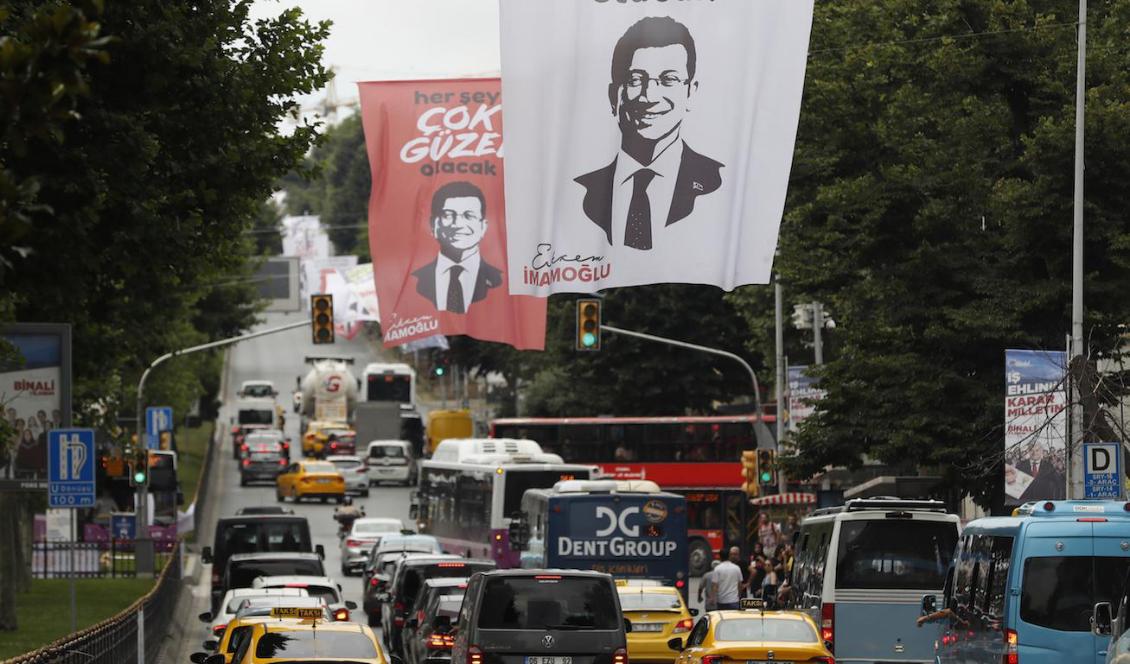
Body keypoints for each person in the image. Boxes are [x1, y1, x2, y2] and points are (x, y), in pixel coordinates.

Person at [574, 16, 723, 251]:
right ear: (614, 96)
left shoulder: (719, 184)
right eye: (635, 80)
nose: (649, 96)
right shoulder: (577, 192)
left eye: (668, 79)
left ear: (690, 93)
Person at [411, 181, 502, 314]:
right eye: (448, 215)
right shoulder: (412, 282)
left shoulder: (500, 281)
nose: (458, 224)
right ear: (434, 225)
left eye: (469, 216)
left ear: (483, 226)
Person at [711, 546, 744, 610]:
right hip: (734, 600)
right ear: (729, 556)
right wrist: (739, 596)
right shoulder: (736, 568)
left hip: (721, 601)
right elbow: (740, 585)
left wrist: (713, 598)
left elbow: (715, 586)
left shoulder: (717, 569)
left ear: (720, 557)